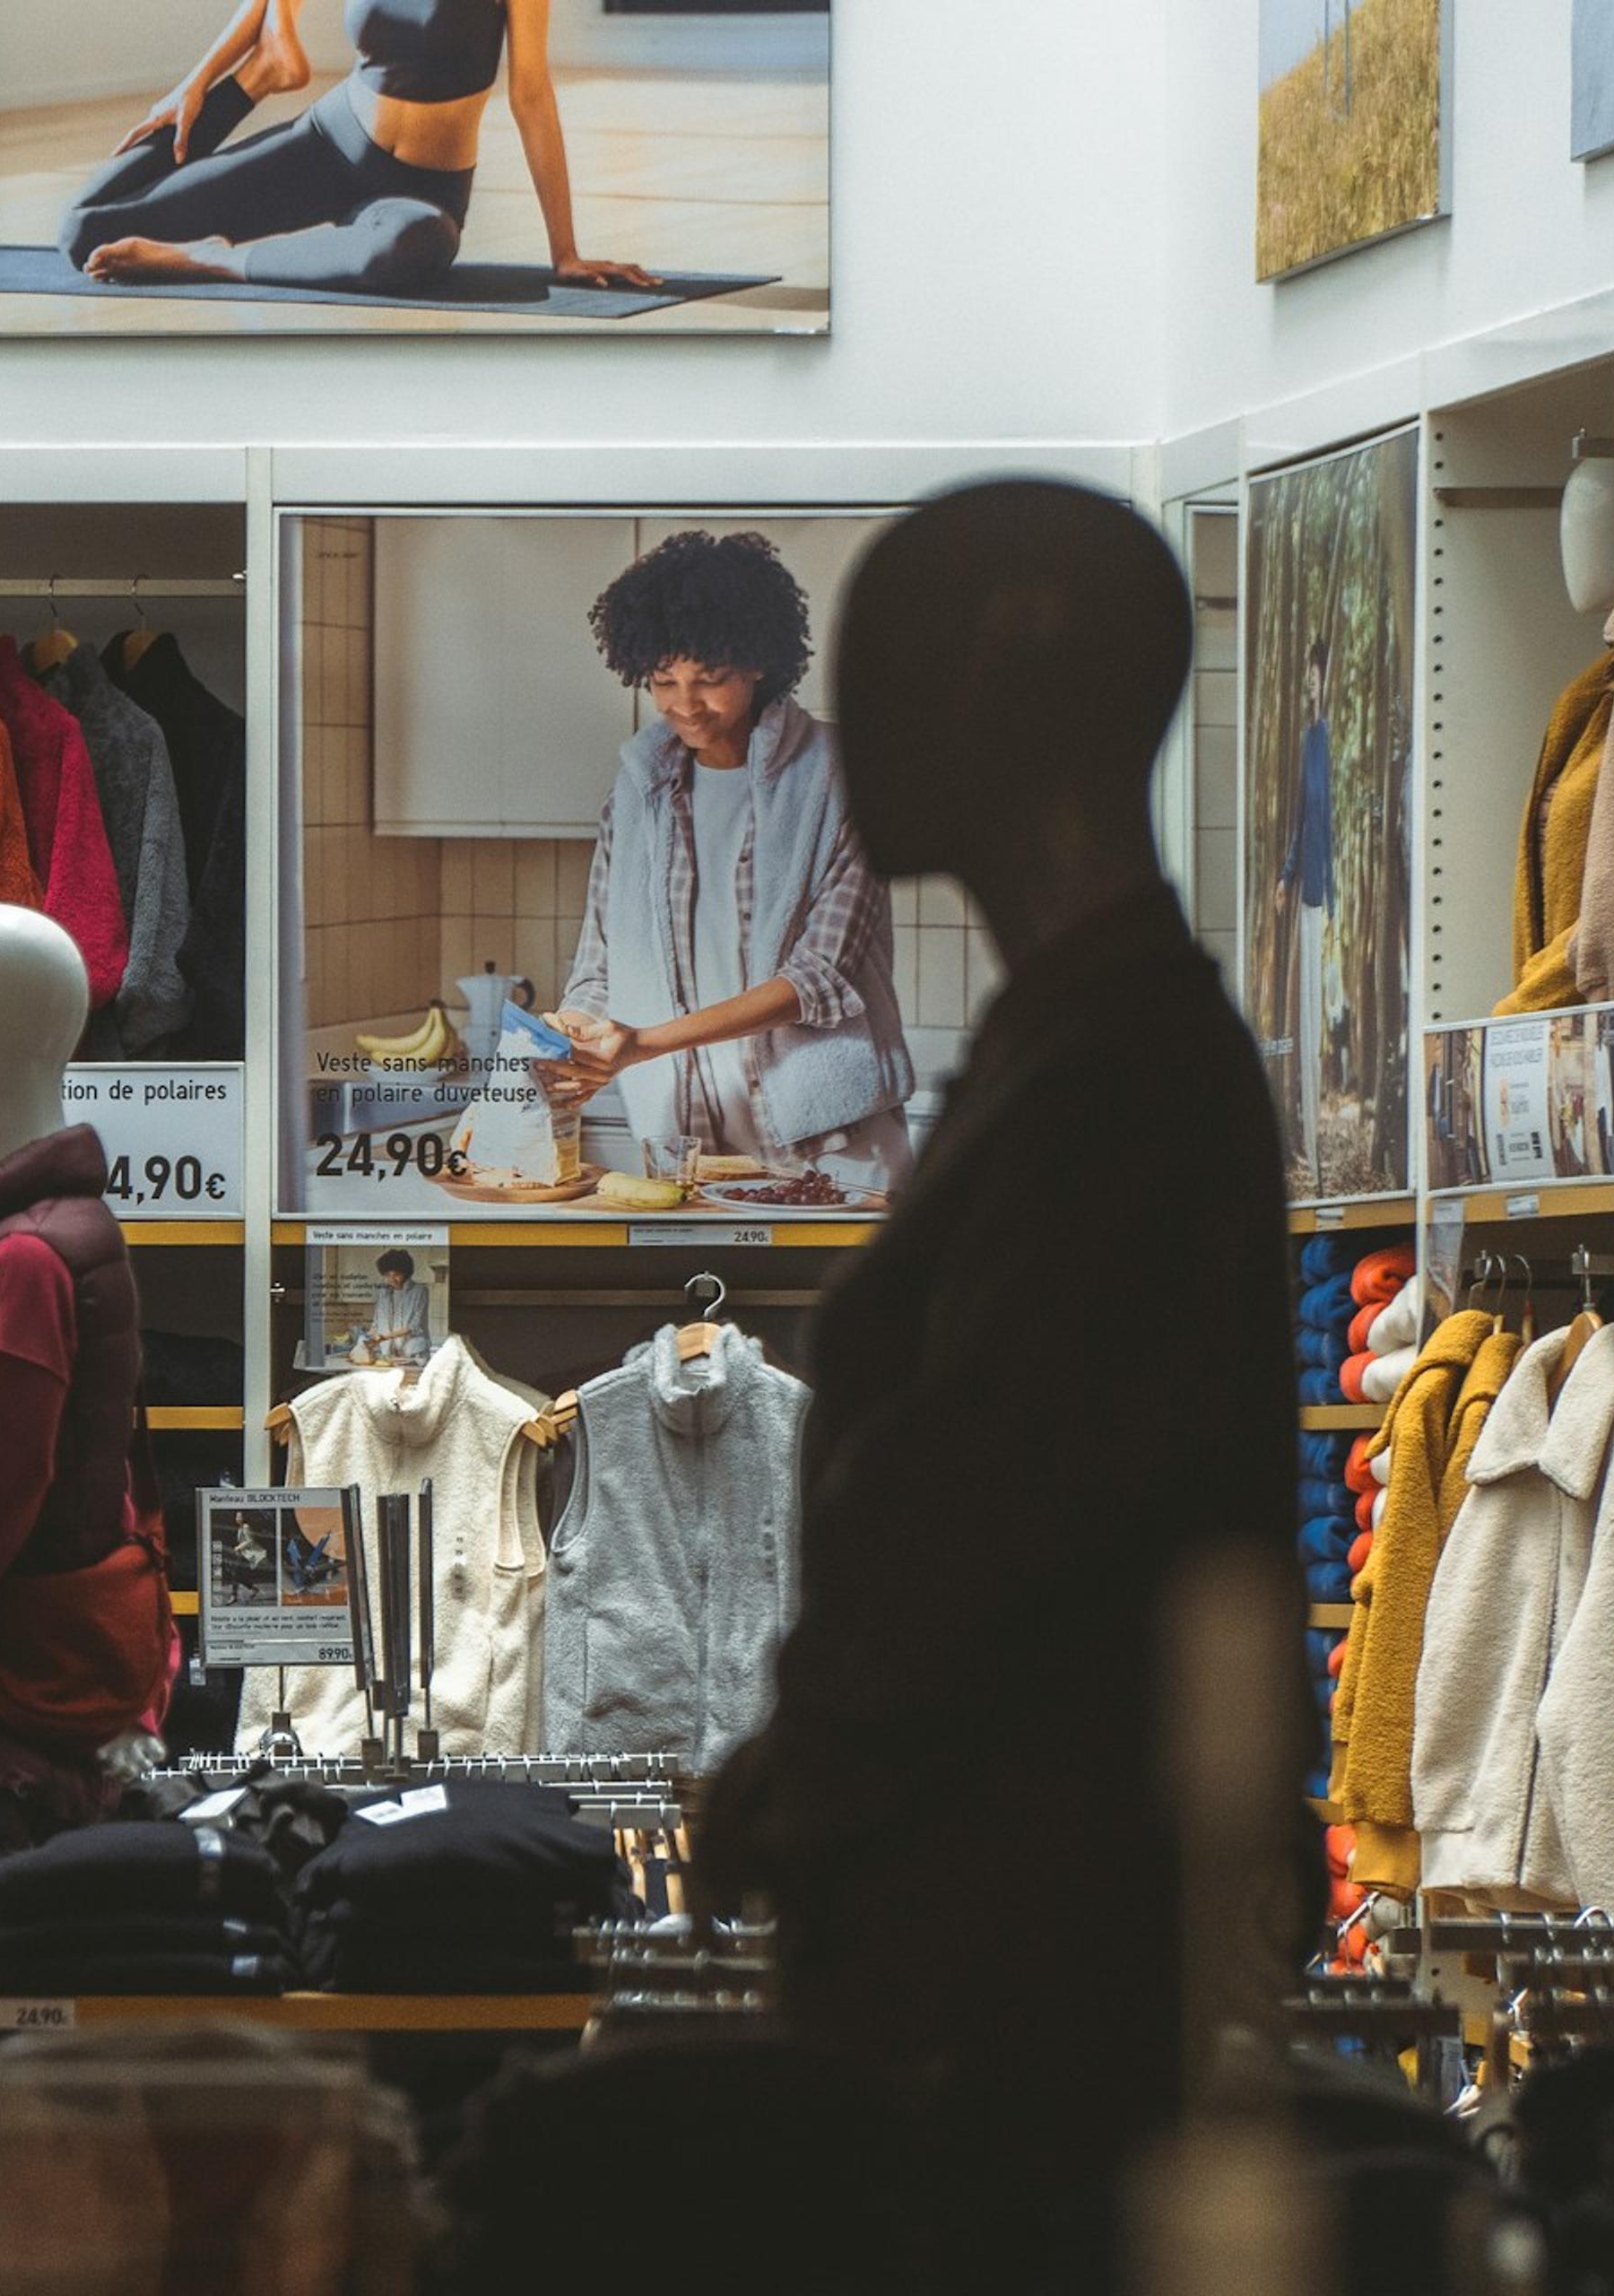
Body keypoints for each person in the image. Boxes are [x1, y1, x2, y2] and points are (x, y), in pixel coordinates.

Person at [697, 482, 1315, 2284]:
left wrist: (792, 1777)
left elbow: (983, 1518)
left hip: (1026, 1998)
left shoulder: (1116, 1079)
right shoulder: (1092, 1046)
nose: (850, 729)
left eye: (883, 676)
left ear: (1008, 705)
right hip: (1007, 1963)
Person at [548, 532, 916, 1199]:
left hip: (833, 1148)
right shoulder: (635, 793)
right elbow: (597, 971)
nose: (685, 704)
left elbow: (817, 979)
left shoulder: (844, 778)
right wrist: (567, 1035)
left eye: (710, 679)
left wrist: (646, 1043)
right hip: (686, 1151)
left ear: (757, 664)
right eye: (664, 682)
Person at [57, 0, 655, 300]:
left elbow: (531, 94)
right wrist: (199, 85)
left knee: (410, 248)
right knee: (84, 233)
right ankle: (265, 72)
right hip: (326, 145)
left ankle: (203, 260)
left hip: (421, 189)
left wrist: (565, 252)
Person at [1280, 637, 1335, 1189]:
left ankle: (1321, 1158)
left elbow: (1341, 822)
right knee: (1305, 1024)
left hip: (1337, 899)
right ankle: (1313, 1157)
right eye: (1307, 676)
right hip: (1309, 895)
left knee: (1325, 1024)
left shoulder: (1335, 742)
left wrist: (1343, 901)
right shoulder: (1306, 744)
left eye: (1316, 674)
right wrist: (1284, 874)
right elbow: (1301, 817)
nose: (1311, 683)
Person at [359, 1247, 430, 1364]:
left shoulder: (420, 1291)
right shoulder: (383, 1293)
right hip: (390, 1353)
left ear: (406, 1273)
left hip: (414, 1352)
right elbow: (376, 1324)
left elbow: (414, 1326)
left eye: (397, 1274)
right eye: (387, 1275)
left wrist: (383, 1337)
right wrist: (366, 1339)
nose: (392, 1279)